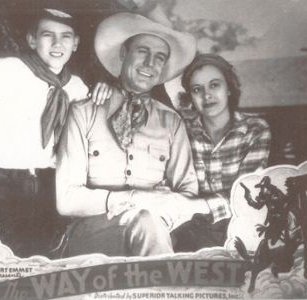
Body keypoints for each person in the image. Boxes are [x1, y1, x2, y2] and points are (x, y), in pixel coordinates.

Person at [56, 13, 231, 257]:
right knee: (146, 221)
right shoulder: (83, 112)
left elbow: (187, 194)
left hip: (156, 233)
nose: (150, 64)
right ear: (123, 54)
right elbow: (66, 200)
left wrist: (161, 213)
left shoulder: (171, 122)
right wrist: (136, 199)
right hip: (91, 236)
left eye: (159, 58)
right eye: (142, 51)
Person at [0, 8, 111, 258]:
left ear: (75, 44)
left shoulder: (76, 87)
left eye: (66, 36)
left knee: (48, 266)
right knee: (6, 265)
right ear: (32, 39)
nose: (57, 43)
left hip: (52, 188)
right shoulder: (10, 71)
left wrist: (104, 91)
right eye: (47, 35)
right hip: (6, 187)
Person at [174, 54, 271, 251]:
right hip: (191, 231)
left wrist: (198, 206)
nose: (206, 95)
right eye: (197, 89)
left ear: (229, 88)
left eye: (214, 85)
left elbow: (247, 196)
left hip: (242, 229)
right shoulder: (181, 131)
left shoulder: (255, 130)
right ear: (191, 97)